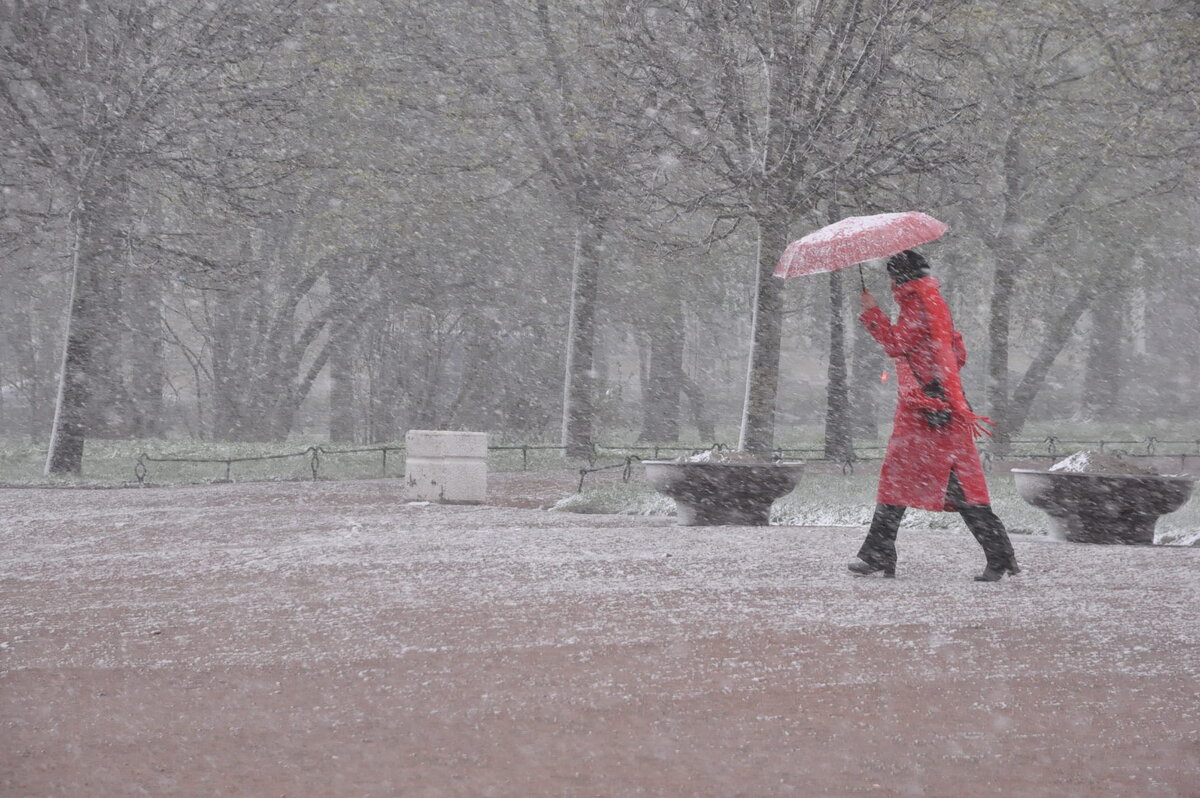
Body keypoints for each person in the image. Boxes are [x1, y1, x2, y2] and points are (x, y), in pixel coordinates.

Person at [848, 249, 1020, 582]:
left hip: (930, 414)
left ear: (898, 276)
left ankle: (998, 555)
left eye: (890, 277)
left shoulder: (917, 304)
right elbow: (956, 351)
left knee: (953, 488)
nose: (889, 284)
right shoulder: (931, 301)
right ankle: (878, 553)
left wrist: (872, 314)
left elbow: (896, 343)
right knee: (908, 484)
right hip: (930, 409)